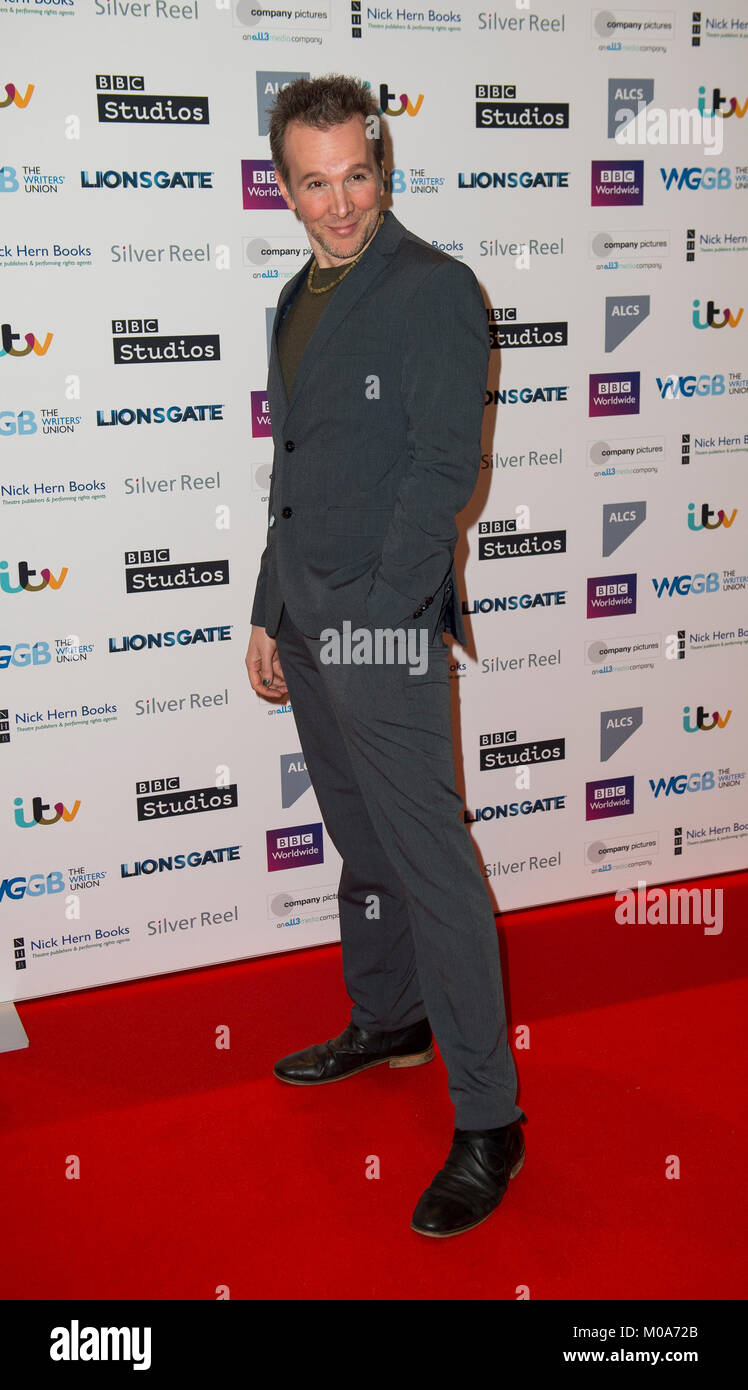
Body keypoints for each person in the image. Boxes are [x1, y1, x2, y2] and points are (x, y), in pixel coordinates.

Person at [245, 75, 526, 1238]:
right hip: (307, 619)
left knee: (431, 861)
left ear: (383, 163)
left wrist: (378, 617)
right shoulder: (291, 298)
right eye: (316, 182)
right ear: (285, 186)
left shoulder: (434, 290)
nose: (341, 202)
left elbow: (440, 474)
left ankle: (489, 1120)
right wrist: (272, 610)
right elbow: (299, 474)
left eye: (357, 174)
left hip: (380, 624)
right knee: (362, 843)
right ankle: (388, 1018)